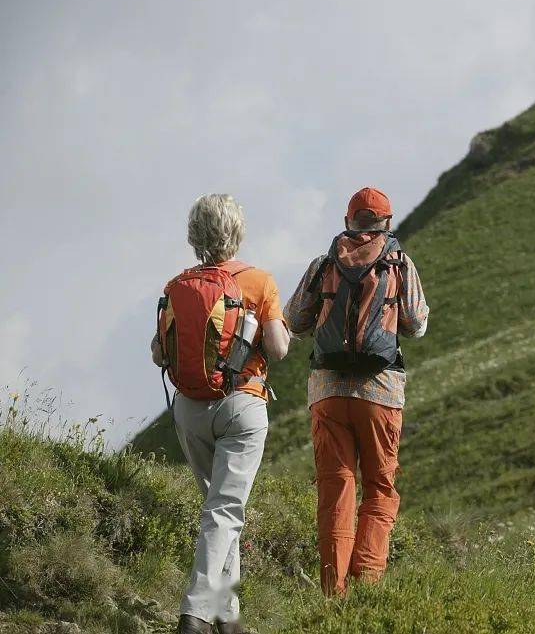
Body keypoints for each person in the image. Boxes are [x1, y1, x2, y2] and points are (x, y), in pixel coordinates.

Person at [151, 194, 290, 634]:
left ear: (195, 235)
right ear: (237, 231)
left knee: (218, 510)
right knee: (225, 512)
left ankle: (226, 617)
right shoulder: (259, 282)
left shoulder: (176, 286)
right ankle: (194, 613)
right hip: (241, 407)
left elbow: (159, 354)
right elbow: (279, 349)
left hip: (189, 409)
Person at [284, 186, 428, 596]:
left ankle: (334, 593)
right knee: (379, 488)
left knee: (336, 488)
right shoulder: (399, 264)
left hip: (328, 391)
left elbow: (295, 320)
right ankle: (367, 587)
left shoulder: (323, 263)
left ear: (348, 221)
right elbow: (417, 325)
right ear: (387, 223)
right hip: (381, 391)